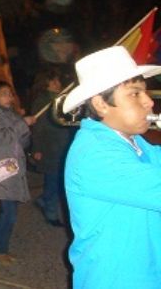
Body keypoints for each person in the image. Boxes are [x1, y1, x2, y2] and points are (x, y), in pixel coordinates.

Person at [62, 46, 161, 288]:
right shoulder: (94, 153)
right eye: (134, 94)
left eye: (145, 93)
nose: (149, 102)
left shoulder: (136, 143)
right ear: (101, 104)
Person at [0, 81, 35, 265]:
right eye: (4, 94)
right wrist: (22, 124)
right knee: (8, 212)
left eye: (10, 94)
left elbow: (22, 141)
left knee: (9, 211)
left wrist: (26, 128)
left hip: (14, 168)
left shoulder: (11, 114)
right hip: (2, 169)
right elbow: (2, 138)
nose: (9, 97)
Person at [29, 68, 72, 227]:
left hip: (62, 144)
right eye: (52, 81)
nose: (57, 84)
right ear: (45, 84)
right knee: (54, 179)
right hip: (50, 146)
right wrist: (37, 148)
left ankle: (44, 200)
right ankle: (50, 211)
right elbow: (38, 127)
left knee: (58, 178)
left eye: (57, 80)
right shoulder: (42, 102)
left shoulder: (61, 99)